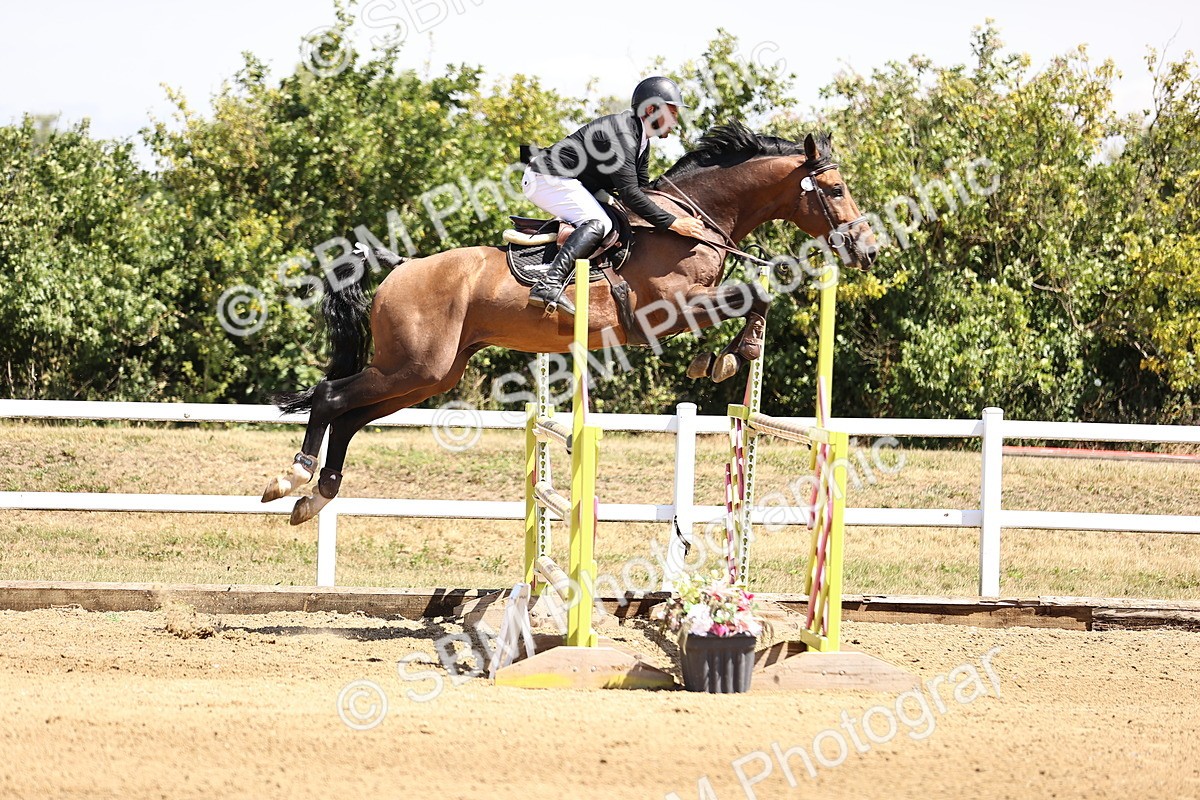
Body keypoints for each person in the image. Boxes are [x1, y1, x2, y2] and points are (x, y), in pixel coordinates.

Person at [521, 76, 708, 316]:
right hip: (546, 177)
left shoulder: (641, 140)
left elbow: (642, 188)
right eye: (671, 112)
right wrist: (674, 223)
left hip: (572, 180)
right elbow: (630, 194)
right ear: (651, 109)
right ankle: (548, 284)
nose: (675, 120)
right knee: (599, 223)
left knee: (613, 219)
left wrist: (679, 212)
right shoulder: (624, 135)